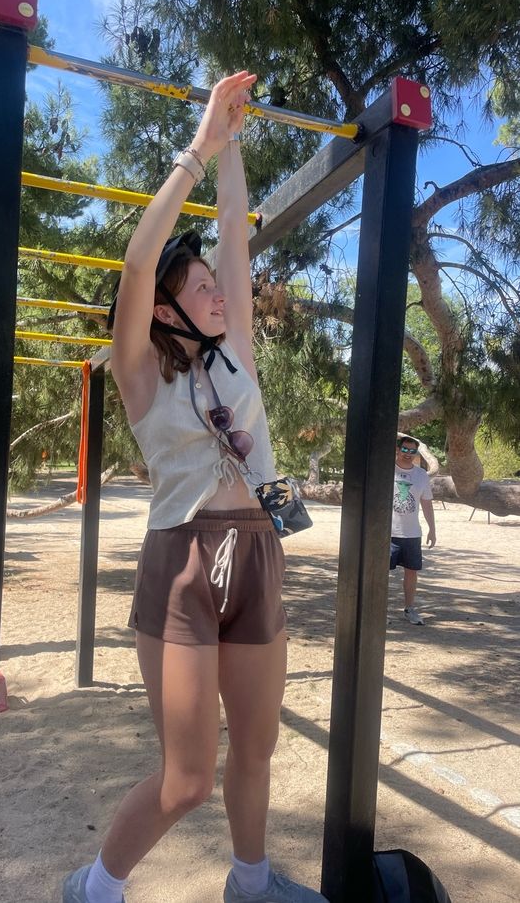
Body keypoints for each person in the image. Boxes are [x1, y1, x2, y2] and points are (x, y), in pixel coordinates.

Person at [62, 73, 327, 903]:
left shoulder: (235, 346)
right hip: (184, 560)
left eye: (218, 281)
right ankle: (96, 887)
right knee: (187, 777)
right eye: (201, 285)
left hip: (256, 550)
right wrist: (196, 146)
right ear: (165, 313)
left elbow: (235, 232)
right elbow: (142, 260)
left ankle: (250, 883)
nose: (219, 287)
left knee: (256, 745)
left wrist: (236, 137)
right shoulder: (140, 374)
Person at [391, 435, 436, 626]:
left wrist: (432, 529)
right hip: (388, 532)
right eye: (405, 449)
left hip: (411, 533)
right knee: (378, 572)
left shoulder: (421, 475)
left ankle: (409, 609)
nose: (408, 454)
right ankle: (374, 609)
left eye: (412, 451)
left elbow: (426, 504)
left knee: (411, 572)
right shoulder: (387, 470)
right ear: (398, 450)